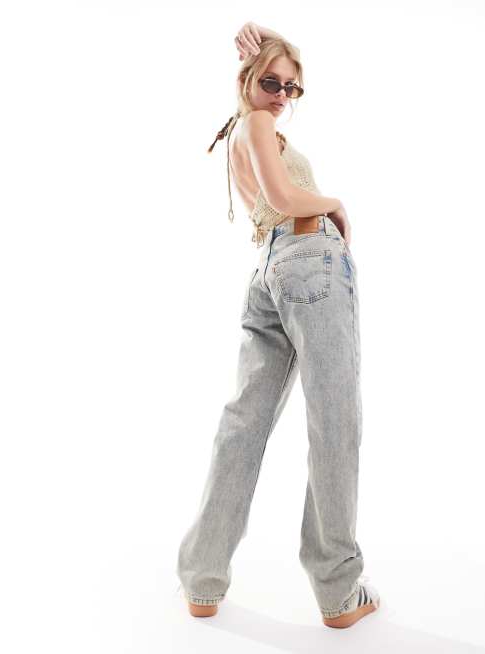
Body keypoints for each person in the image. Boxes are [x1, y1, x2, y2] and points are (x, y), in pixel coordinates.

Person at [175, 22, 381, 629]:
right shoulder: (258, 124)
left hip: (269, 270)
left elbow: (270, 198)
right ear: (247, 80)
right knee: (335, 420)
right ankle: (339, 589)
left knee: (243, 423)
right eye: (272, 83)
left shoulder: (242, 127)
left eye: (293, 88)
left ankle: (202, 579)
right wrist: (335, 203)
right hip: (309, 258)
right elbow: (286, 197)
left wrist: (267, 46)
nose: (283, 97)